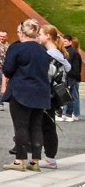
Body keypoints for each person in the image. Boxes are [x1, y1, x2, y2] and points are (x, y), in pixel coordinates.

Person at [1, 19, 51, 171]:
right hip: (40, 92)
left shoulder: (17, 49)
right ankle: (35, 161)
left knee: (20, 126)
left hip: (21, 91)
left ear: (22, 33)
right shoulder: (43, 51)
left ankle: (20, 160)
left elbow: (7, 70)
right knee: (36, 126)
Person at [37, 25, 70, 169]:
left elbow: (47, 77)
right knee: (48, 126)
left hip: (47, 96)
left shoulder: (50, 55)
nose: (38, 36)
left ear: (48, 36)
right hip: (53, 96)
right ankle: (49, 157)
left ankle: (49, 158)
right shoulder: (58, 54)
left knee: (47, 127)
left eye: (40, 34)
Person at [63, 35, 81, 122]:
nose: (63, 43)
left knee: (73, 96)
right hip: (71, 77)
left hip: (72, 77)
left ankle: (75, 113)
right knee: (70, 96)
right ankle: (69, 113)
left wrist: (74, 77)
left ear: (70, 42)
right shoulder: (68, 51)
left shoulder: (72, 52)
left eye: (65, 41)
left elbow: (75, 67)